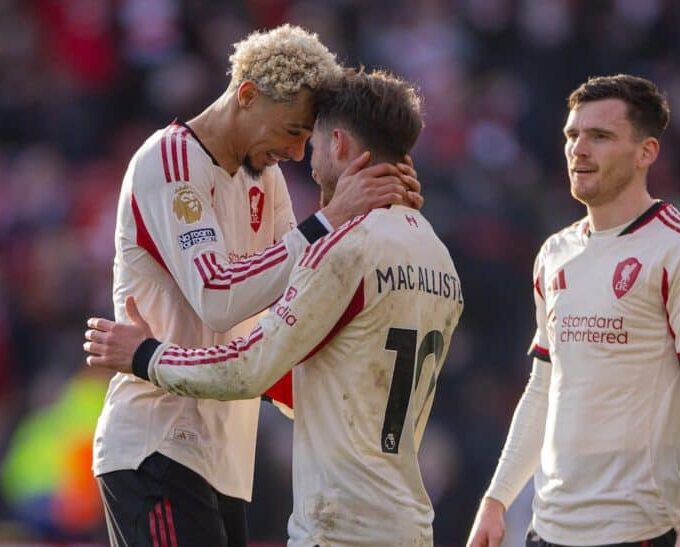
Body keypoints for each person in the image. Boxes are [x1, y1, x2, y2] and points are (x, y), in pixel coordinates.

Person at [85, 68, 464, 546]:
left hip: (336, 524)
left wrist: (145, 354)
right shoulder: (437, 259)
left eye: (312, 138)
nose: (302, 156)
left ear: (339, 144)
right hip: (406, 521)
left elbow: (252, 363)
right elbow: (310, 369)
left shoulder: (343, 249)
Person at [466, 74, 680, 547]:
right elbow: (543, 386)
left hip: (638, 530)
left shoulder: (672, 249)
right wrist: (497, 499)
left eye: (600, 136)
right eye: (572, 135)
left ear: (646, 152)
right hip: (549, 527)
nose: (578, 149)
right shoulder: (554, 253)